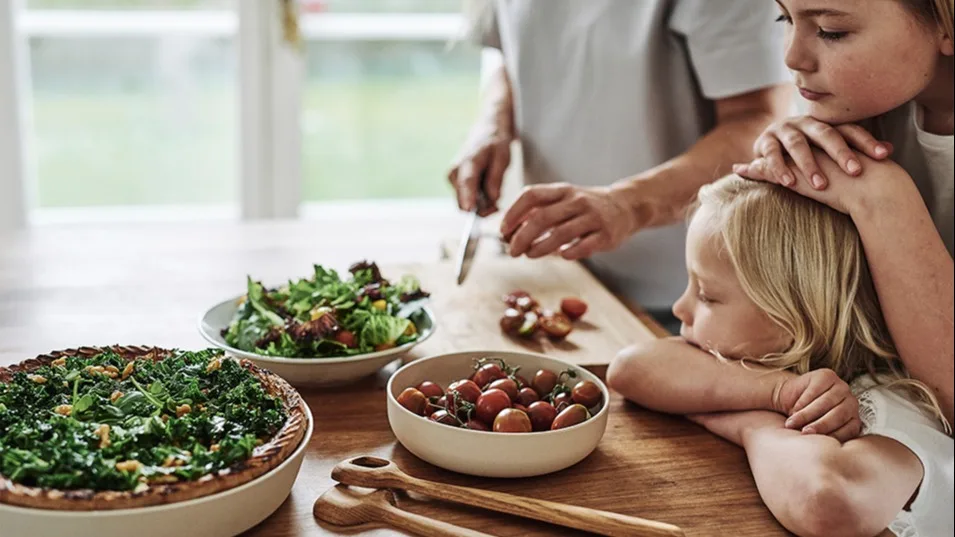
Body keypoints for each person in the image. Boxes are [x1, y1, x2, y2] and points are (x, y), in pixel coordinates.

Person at [607, 175, 953, 537]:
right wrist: (777, 392)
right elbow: (630, 368)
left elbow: (828, 504)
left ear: (791, 318)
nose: (680, 307)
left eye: (707, 295)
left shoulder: (893, 405)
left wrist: (751, 424)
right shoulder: (767, 365)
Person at [450, 0, 792, 332]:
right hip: (554, 276)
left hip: (683, 298)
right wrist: (493, 124)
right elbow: (509, 52)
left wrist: (626, 204)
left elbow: (757, 121)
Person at [733, 0, 954, 428]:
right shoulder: (861, 109)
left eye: (832, 31)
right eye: (785, 19)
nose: (791, 57)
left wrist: (882, 200)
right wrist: (790, 159)